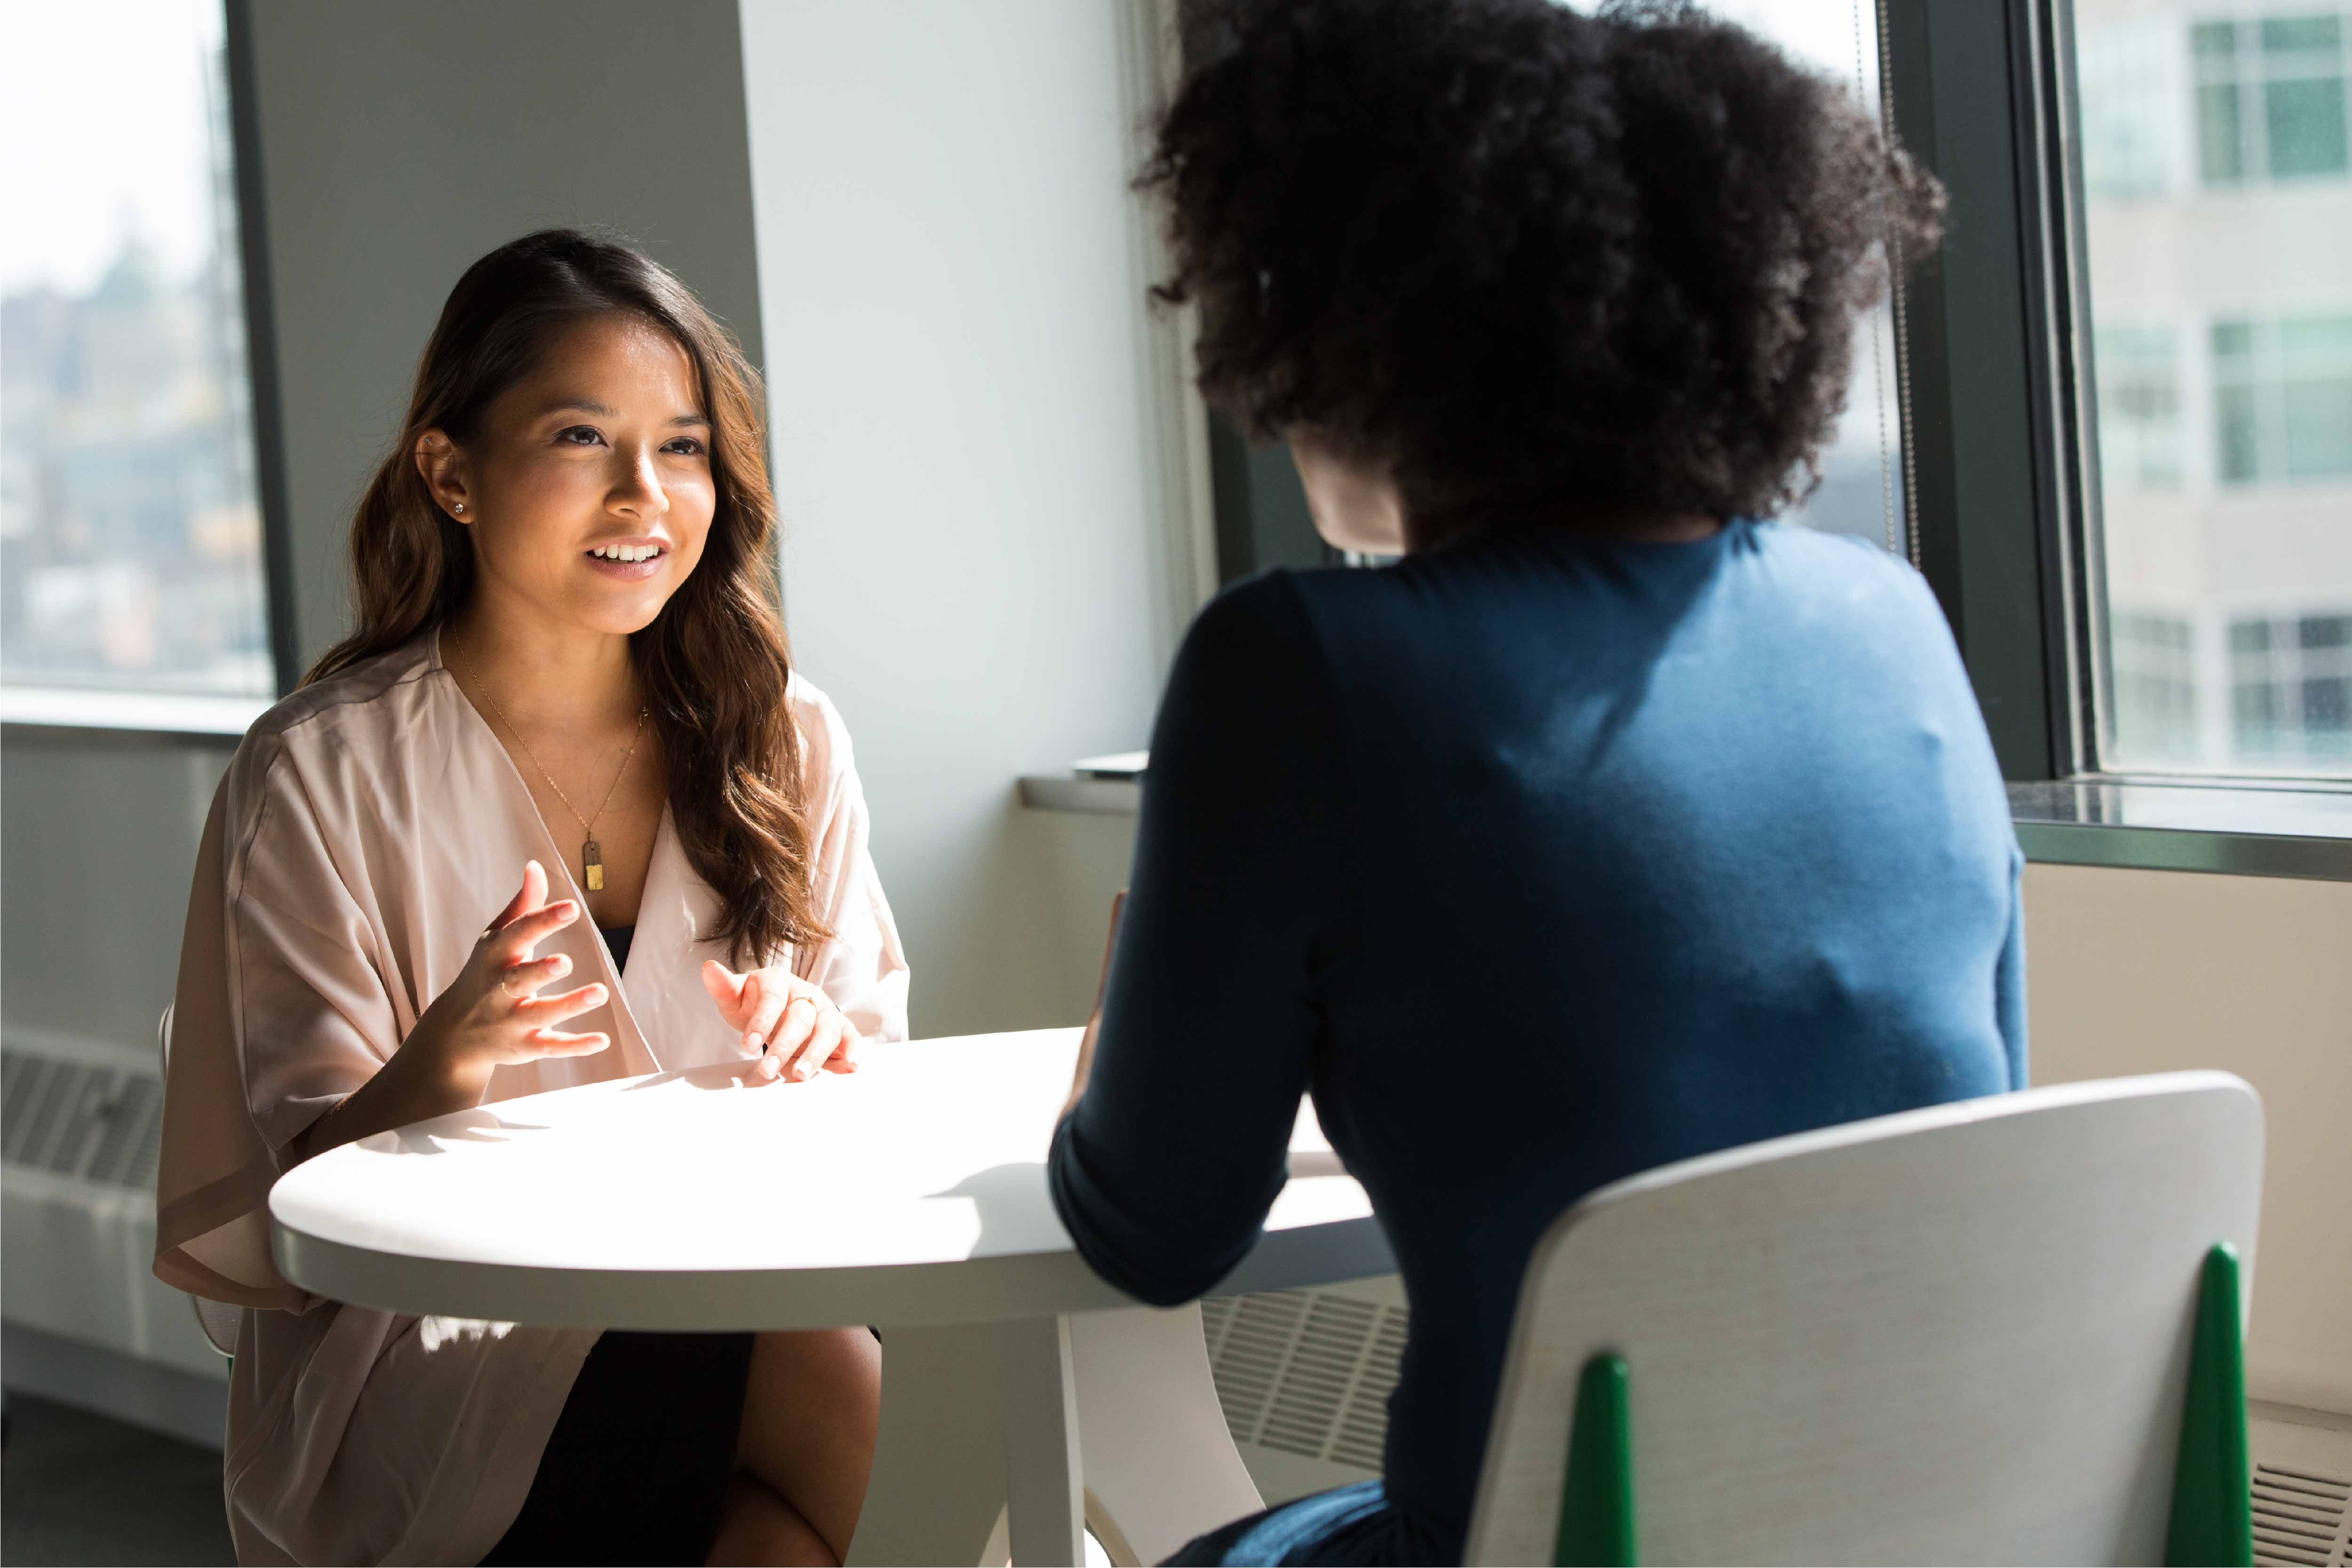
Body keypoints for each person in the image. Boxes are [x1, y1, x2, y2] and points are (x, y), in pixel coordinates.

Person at [1047, 2, 2019, 1563]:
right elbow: (1965, 1127)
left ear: (1357, 331)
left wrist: (1117, 1072)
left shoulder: (1296, 664)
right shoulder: (1892, 626)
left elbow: (1154, 1234)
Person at [153, 230, 908, 1567]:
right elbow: (293, 1220)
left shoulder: (786, 738)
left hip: (741, 1292)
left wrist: (822, 1044)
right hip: (428, 1355)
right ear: (451, 474)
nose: (645, 495)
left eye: (682, 447)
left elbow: (876, 1085)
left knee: (816, 1407)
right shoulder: (321, 771)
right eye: (580, 439)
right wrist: (434, 1073)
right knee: (826, 1378)